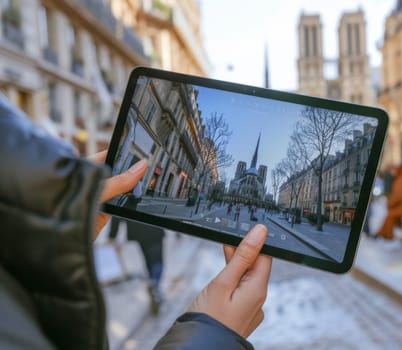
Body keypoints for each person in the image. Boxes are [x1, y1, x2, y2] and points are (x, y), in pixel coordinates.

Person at [0, 95, 272, 349]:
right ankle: (155, 283)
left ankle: (154, 283)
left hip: (139, 237)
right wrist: (215, 331)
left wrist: (57, 241)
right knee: (157, 263)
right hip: (154, 237)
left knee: (152, 261)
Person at [374, 162, 402, 240]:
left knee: (390, 215)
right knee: (391, 215)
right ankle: (382, 233)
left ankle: (387, 235)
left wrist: (390, 204)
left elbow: (399, 196)